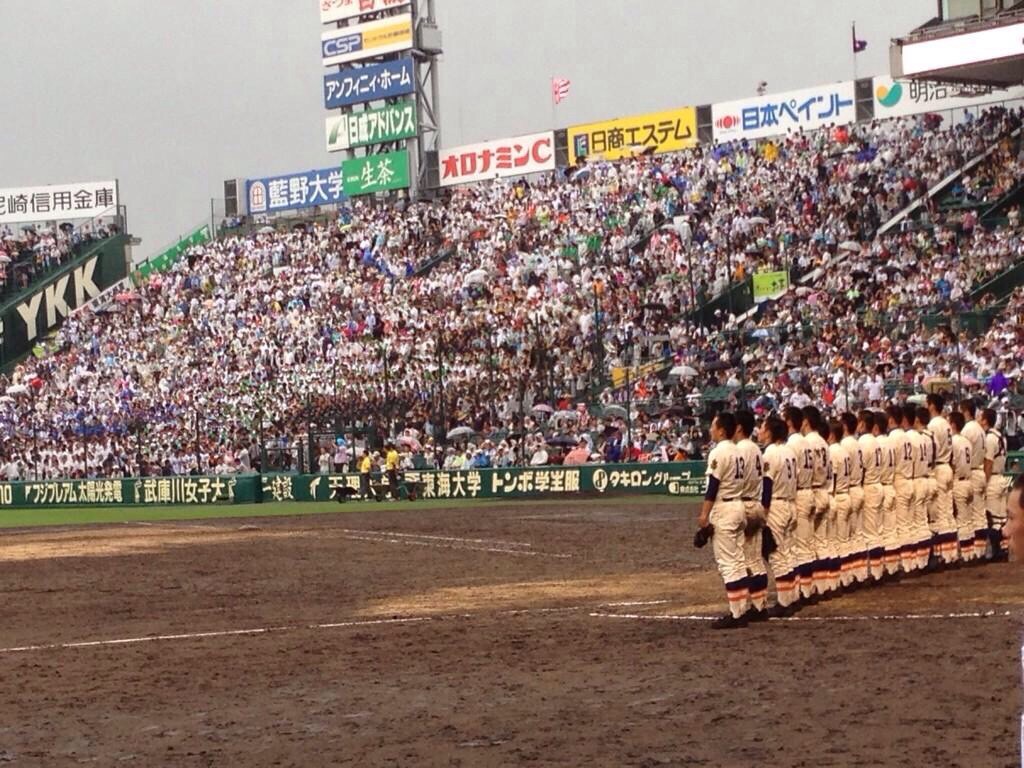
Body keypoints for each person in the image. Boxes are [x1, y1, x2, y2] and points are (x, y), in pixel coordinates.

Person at [697, 412, 750, 629]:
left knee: (729, 564)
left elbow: (713, 487)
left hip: (725, 507)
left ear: (721, 430)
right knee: (738, 561)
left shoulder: (719, 451)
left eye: (713, 426)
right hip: (739, 505)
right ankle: (742, 609)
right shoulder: (738, 450)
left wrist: (704, 514)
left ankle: (737, 613)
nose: (711, 429)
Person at [760, 415, 799, 615]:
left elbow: (767, 486)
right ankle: (793, 595)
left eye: (763, 428)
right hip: (791, 503)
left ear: (770, 432)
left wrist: (763, 515)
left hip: (776, 506)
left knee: (777, 555)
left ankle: (785, 602)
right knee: (788, 552)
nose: (760, 431)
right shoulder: (790, 451)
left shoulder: (770, 453)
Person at [733, 410, 768, 617]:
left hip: (744, 504)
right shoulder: (756, 448)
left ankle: (745, 607)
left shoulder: (740, 449)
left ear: (738, 427)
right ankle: (760, 603)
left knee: (744, 560)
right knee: (755, 559)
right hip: (756, 503)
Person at [785, 406, 816, 602]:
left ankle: (804, 591)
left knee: (798, 546)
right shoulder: (807, 443)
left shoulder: (792, 445)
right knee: (807, 543)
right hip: (811, 491)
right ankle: (808, 587)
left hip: (798, 494)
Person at [803, 406, 834, 595]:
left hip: (812, 492)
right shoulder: (823, 441)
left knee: (807, 544)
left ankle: (811, 587)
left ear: (805, 421)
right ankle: (825, 585)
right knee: (822, 542)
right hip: (824, 491)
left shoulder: (807, 442)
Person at [926, 394, 958, 564]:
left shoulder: (933, 424)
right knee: (947, 512)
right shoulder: (946, 423)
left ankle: (940, 555)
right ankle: (951, 554)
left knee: (938, 513)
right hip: (947, 465)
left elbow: (932, 449)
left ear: (931, 406)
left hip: (938, 467)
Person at [888, 405, 916, 574]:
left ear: (891, 420)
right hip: (909, 478)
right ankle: (911, 561)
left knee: (901, 524)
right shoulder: (907, 437)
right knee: (909, 524)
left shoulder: (893, 437)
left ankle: (905, 564)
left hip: (898, 480)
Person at [858, 410, 885, 581]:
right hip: (878, 484)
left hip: (869, 485)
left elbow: (861, 469)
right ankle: (879, 569)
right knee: (878, 529)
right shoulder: (876, 441)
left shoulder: (863, 442)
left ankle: (875, 573)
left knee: (870, 532)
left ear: (862, 423)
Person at [840, 412, 867, 583]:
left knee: (846, 537)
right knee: (858, 535)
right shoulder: (857, 443)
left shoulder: (844, 444)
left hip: (847, 490)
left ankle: (848, 576)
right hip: (859, 488)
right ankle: (861, 573)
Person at [960, 400, 989, 561]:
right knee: (980, 514)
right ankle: (981, 550)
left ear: (966, 411)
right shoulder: (979, 429)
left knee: (971, 515)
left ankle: (975, 553)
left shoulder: (968, 429)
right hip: (980, 471)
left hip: (972, 471)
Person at [980, 407, 1010, 561]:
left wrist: (983, 482)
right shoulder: (1000, 436)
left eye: (981, 417)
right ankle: (1004, 550)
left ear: (985, 420)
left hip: (993, 478)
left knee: (992, 517)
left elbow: (988, 463)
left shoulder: (990, 438)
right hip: (1002, 478)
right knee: (1002, 518)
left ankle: (997, 551)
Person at [828, 419, 854, 588]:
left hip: (837, 496)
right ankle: (847, 577)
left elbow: (834, 477)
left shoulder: (832, 451)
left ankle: (839, 580)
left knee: (835, 541)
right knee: (845, 540)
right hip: (847, 494)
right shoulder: (844, 450)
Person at [949, 411, 977, 562]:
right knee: (968, 519)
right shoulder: (966, 441)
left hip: (959, 482)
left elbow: (952, 464)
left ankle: (962, 555)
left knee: (960, 520)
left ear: (953, 424)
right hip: (969, 480)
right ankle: (969, 553)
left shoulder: (953, 441)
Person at [875, 411, 899, 576]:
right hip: (890, 485)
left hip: (879, 486)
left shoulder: (875, 443)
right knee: (891, 529)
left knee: (879, 530)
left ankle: (881, 568)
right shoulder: (890, 441)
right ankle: (892, 567)